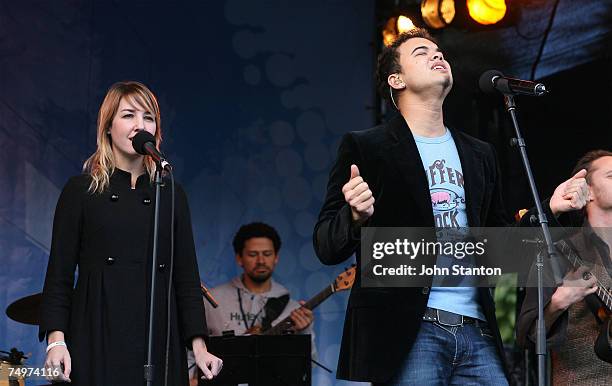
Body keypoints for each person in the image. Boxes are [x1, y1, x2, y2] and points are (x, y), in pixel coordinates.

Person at [313, 28, 587, 385]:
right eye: (421, 52)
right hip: (409, 330)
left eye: (440, 50)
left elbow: (502, 249)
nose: (437, 55)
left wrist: (548, 208)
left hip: (477, 328)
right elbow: (325, 245)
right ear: (396, 79)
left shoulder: (478, 154)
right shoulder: (368, 147)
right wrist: (353, 217)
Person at [39, 81, 222, 386]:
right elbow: (58, 274)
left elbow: (186, 278)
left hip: (158, 336)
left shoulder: (171, 194)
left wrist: (199, 348)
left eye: (148, 117)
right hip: (98, 332)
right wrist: (57, 342)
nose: (140, 125)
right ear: (108, 127)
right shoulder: (81, 191)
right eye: (128, 115)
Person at [517, 150, 612, 385]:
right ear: (586, 191)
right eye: (611, 175)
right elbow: (528, 338)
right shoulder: (559, 251)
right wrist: (559, 302)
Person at [188, 222, 314, 384]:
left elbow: (308, 364)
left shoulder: (292, 309)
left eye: (267, 253)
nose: (261, 260)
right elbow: (191, 351)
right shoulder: (211, 299)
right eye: (253, 254)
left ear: (276, 257)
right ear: (239, 258)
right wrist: (191, 378)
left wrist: (303, 332)